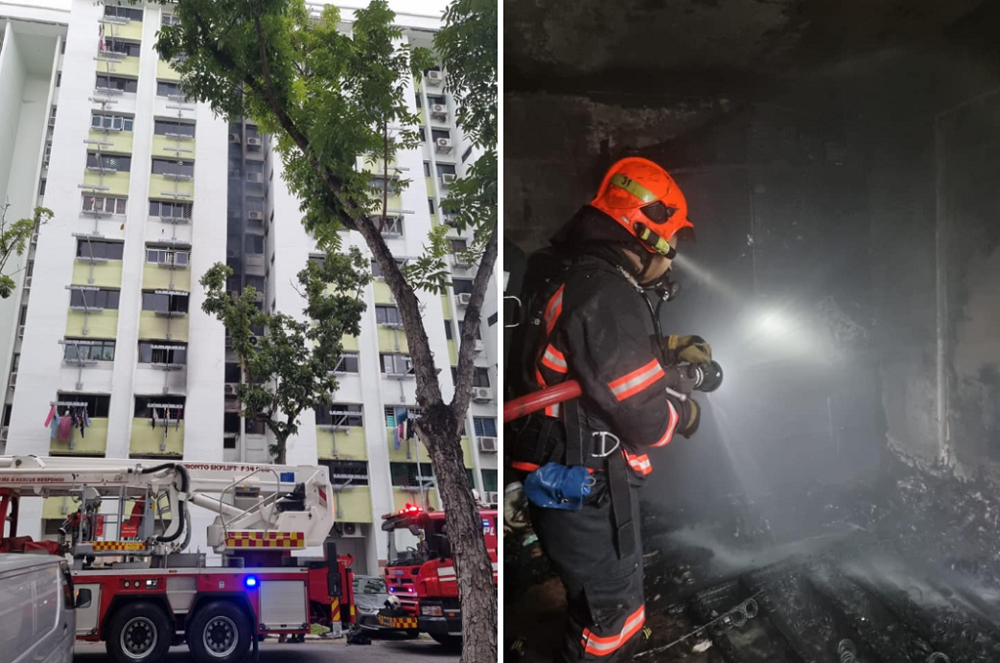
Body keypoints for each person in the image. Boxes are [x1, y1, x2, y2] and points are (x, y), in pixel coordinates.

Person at [506, 157, 714, 661]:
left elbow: (591, 358)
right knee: (613, 621)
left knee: (597, 603)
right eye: (674, 245)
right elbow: (642, 413)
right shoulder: (605, 292)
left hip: (563, 482)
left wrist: (666, 348)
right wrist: (684, 416)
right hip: (587, 491)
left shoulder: (566, 272)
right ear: (648, 234)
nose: (673, 259)